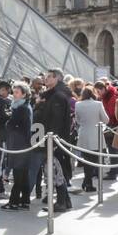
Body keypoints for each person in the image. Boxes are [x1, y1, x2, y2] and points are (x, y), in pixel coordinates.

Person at [42, 68, 76, 212]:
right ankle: (65, 201)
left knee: (57, 171)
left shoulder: (57, 97)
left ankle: (61, 202)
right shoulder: (56, 95)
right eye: (46, 77)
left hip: (56, 140)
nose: (46, 79)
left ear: (57, 79)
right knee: (57, 170)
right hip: (58, 139)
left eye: (49, 77)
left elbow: (56, 121)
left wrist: (53, 141)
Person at [2, 82, 34, 209]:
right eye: (13, 92)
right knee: (23, 174)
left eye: (16, 92)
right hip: (23, 144)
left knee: (18, 174)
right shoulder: (25, 106)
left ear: (24, 94)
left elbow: (11, 125)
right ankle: (24, 200)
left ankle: (14, 201)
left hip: (18, 145)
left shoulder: (21, 108)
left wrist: (8, 123)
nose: (14, 95)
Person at [74, 86, 108, 192]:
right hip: (96, 134)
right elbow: (106, 120)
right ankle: (87, 182)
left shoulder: (78, 104)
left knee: (87, 160)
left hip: (84, 134)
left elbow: (77, 120)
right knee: (94, 160)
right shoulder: (98, 104)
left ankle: (87, 181)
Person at [0, 81, 12, 196]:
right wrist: (10, 114)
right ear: (3, 90)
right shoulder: (0, 101)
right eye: (8, 91)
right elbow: (3, 117)